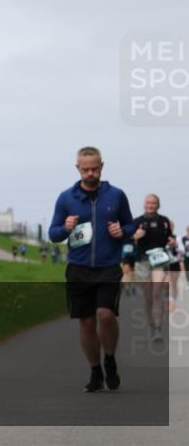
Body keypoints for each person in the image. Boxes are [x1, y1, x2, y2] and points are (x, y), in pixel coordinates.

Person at [48, 147, 135, 393]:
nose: (90, 173)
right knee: (86, 323)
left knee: (105, 315)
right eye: (85, 169)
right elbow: (53, 234)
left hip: (108, 266)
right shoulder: (67, 198)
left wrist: (123, 231)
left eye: (94, 168)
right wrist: (64, 228)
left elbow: (129, 224)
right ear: (77, 168)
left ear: (102, 166)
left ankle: (110, 359)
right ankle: (95, 370)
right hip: (78, 268)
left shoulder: (116, 195)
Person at [133, 194, 176, 339]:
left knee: (157, 293)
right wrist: (135, 237)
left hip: (160, 260)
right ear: (144, 204)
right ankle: (151, 324)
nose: (150, 205)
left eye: (153, 203)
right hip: (143, 260)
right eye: (148, 203)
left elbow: (170, 237)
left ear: (158, 205)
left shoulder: (164, 221)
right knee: (148, 296)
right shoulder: (137, 221)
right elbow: (128, 241)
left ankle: (158, 327)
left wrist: (172, 242)